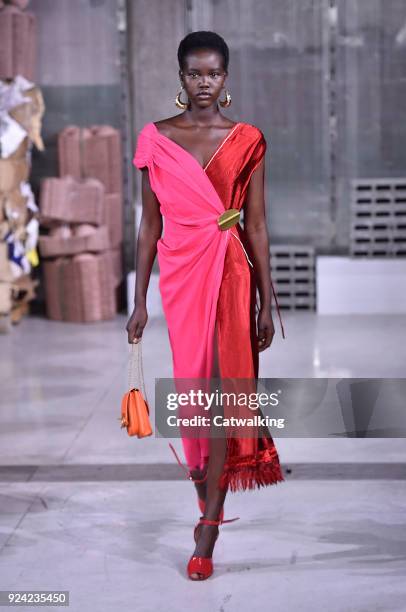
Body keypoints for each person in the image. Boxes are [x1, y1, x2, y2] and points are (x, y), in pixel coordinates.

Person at [126, 30, 286, 581]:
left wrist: (269, 299)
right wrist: (139, 298)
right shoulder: (155, 139)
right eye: (194, 74)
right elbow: (149, 224)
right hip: (180, 275)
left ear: (226, 77)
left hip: (232, 271)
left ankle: (209, 532)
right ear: (179, 77)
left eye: (213, 73)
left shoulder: (246, 139)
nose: (204, 83)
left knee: (222, 395)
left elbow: (258, 224)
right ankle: (204, 498)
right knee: (195, 396)